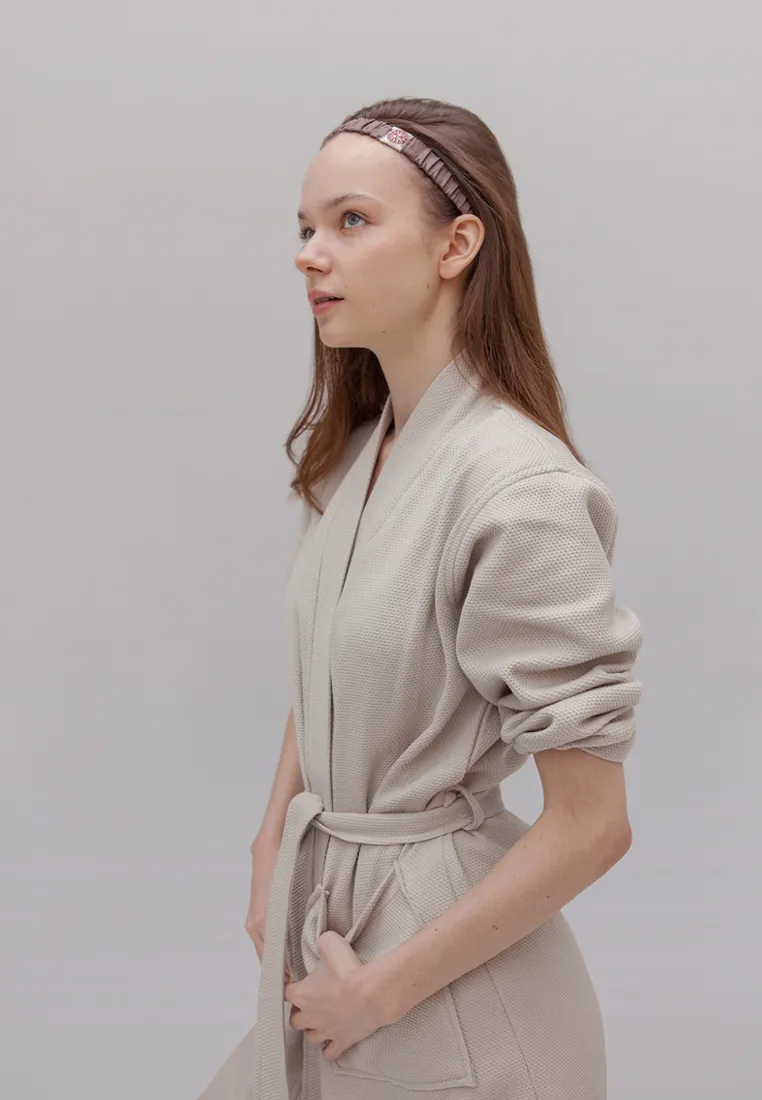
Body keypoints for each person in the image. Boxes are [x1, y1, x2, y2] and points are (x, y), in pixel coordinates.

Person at [197, 98, 644, 1100]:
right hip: (337, 944)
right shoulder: (360, 455)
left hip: (450, 999)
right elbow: (330, 667)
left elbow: (593, 823)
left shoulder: (519, 490)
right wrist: (272, 845)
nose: (310, 254)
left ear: (457, 245)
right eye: (305, 227)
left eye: (351, 221)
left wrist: (382, 992)